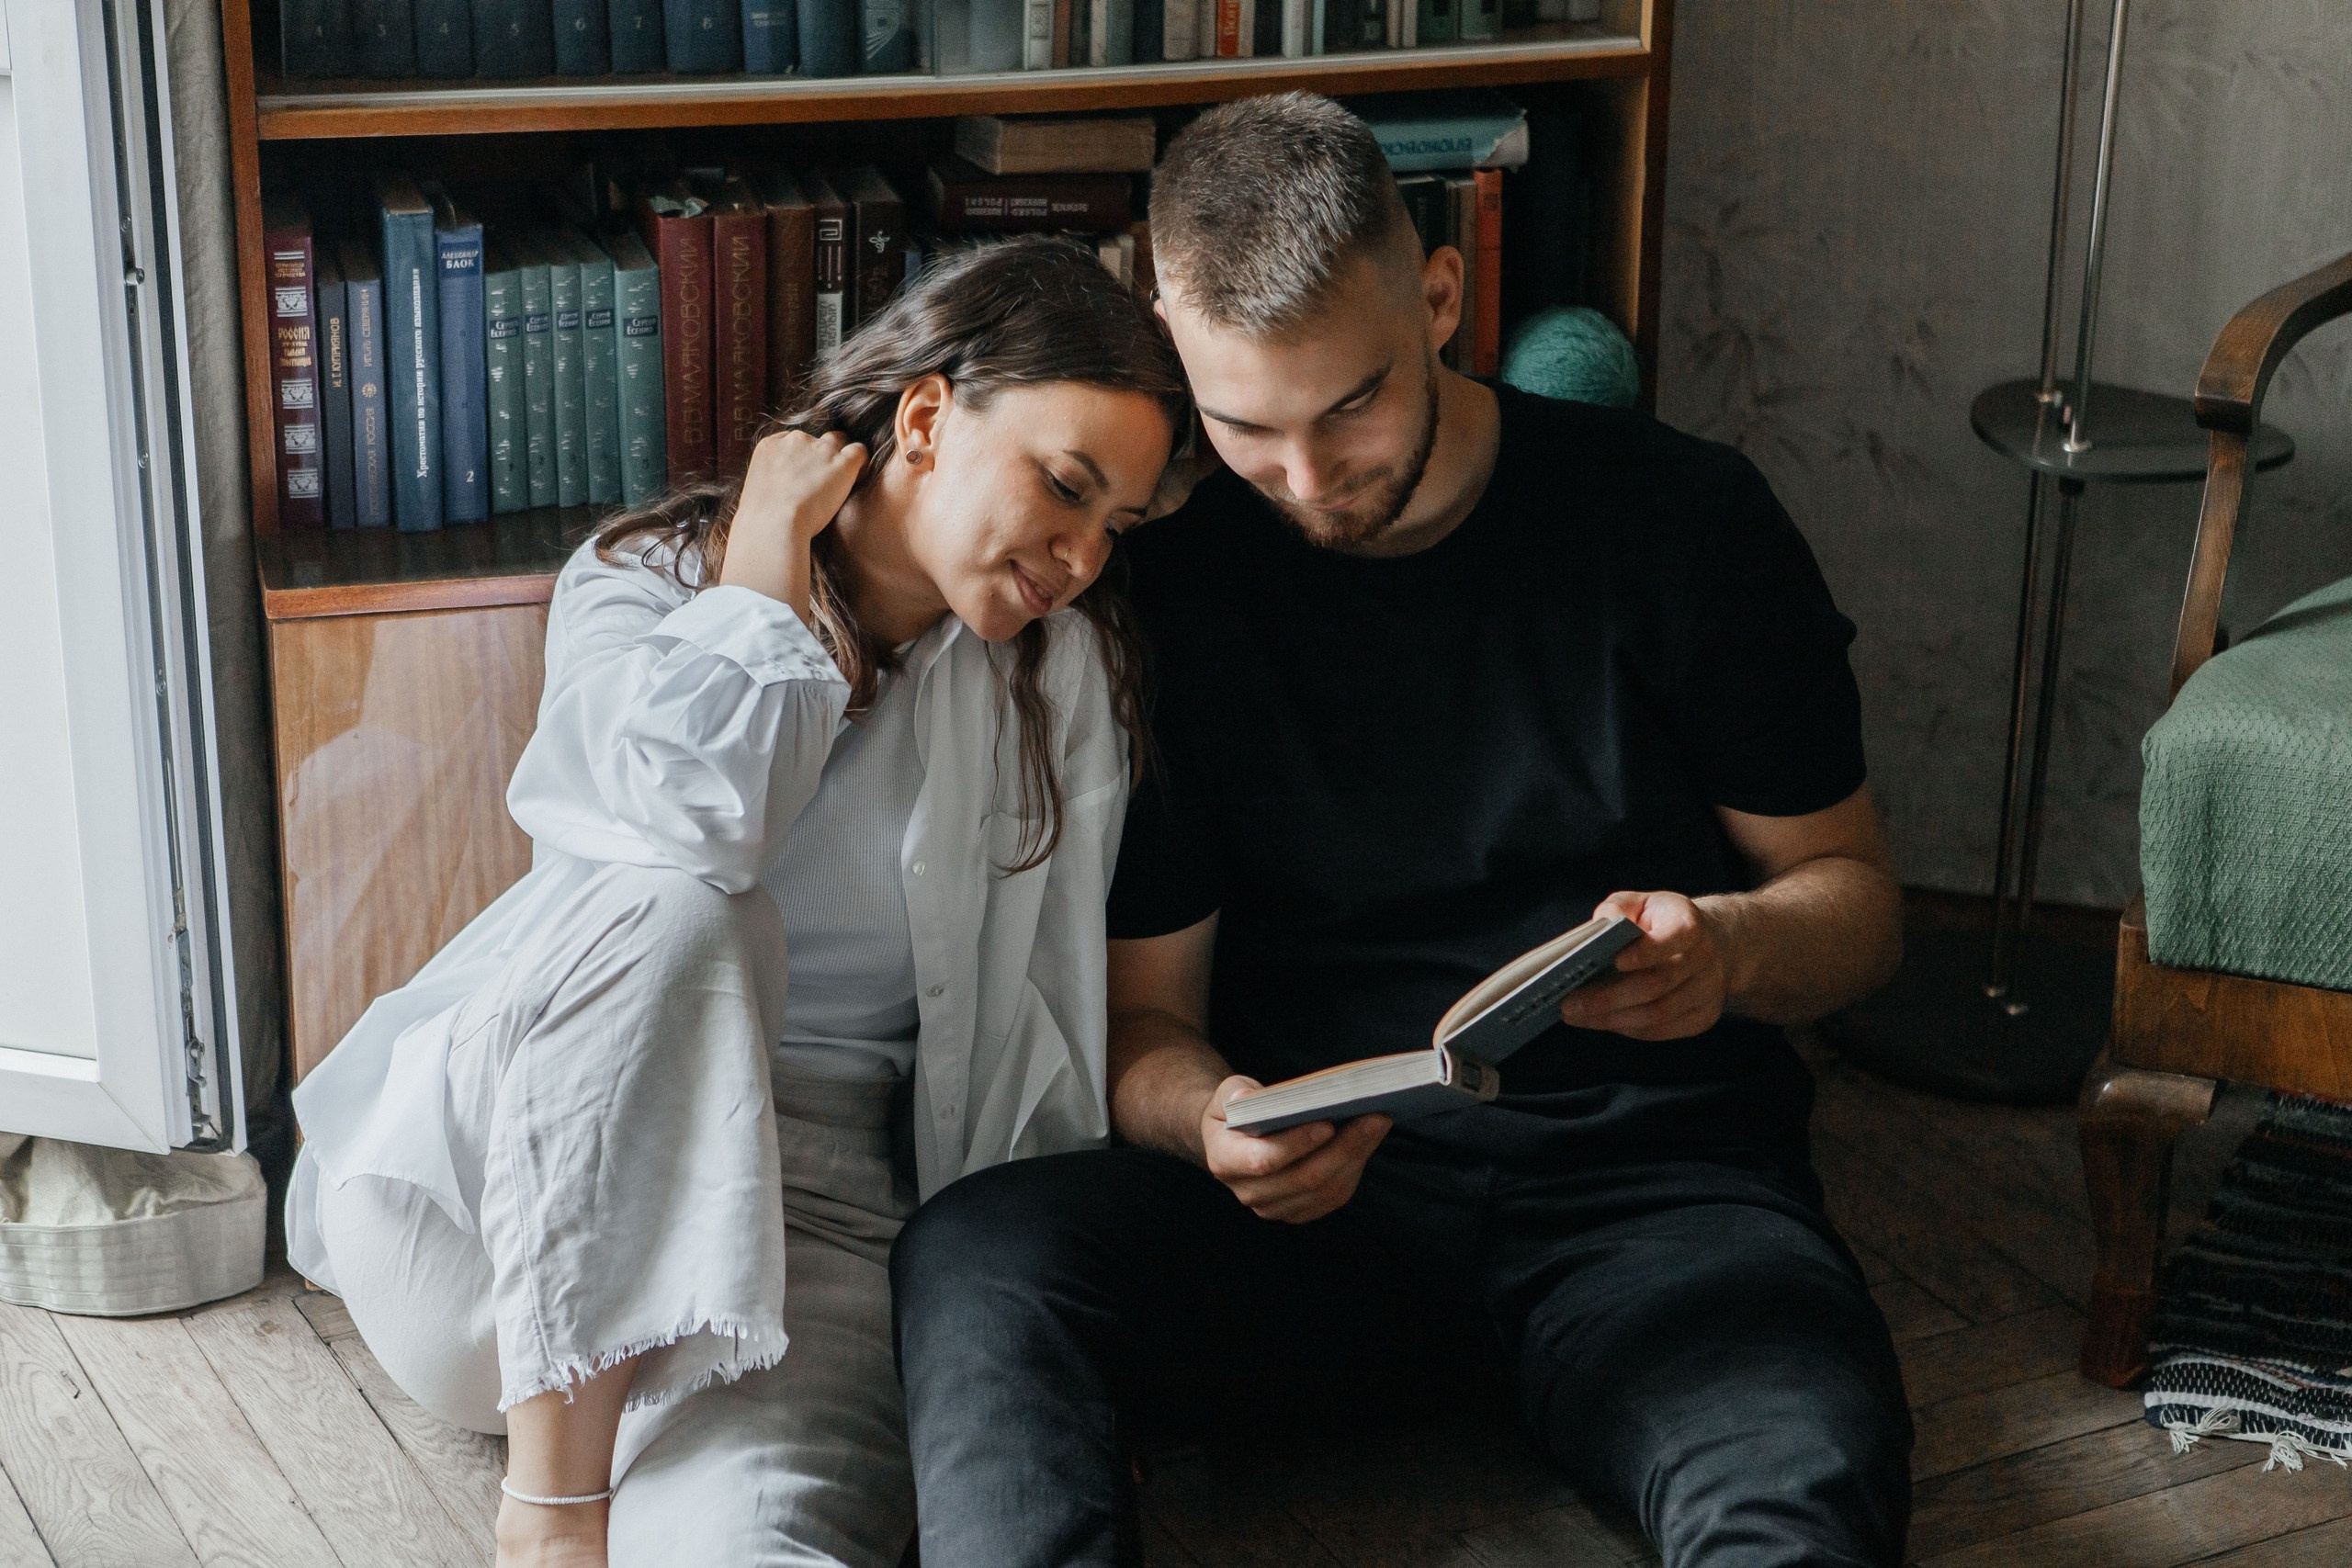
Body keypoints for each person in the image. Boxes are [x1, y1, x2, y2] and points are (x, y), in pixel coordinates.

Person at [890, 95, 1915, 1568]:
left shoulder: (1685, 523)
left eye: (1352, 405)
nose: (1307, 479)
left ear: (1441, 296)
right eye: (1245, 427)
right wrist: (1219, 1123)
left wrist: (1735, 952)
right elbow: (1143, 1026)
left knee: (1801, 1500)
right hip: (1319, 1219)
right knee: (979, 1260)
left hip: (1657, 1204)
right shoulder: (1163, 587)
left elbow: (1860, 906)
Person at [284, 235, 1187, 1568]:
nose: (1082, 554)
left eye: (1115, 524)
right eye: (1064, 486)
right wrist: (762, 571)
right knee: (689, 912)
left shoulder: (1061, 677)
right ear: (927, 418)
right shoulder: (646, 578)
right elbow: (681, 830)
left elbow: (1042, 1012)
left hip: (802, 1231)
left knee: (761, 1547)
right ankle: (553, 1512)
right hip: (500, 1204)